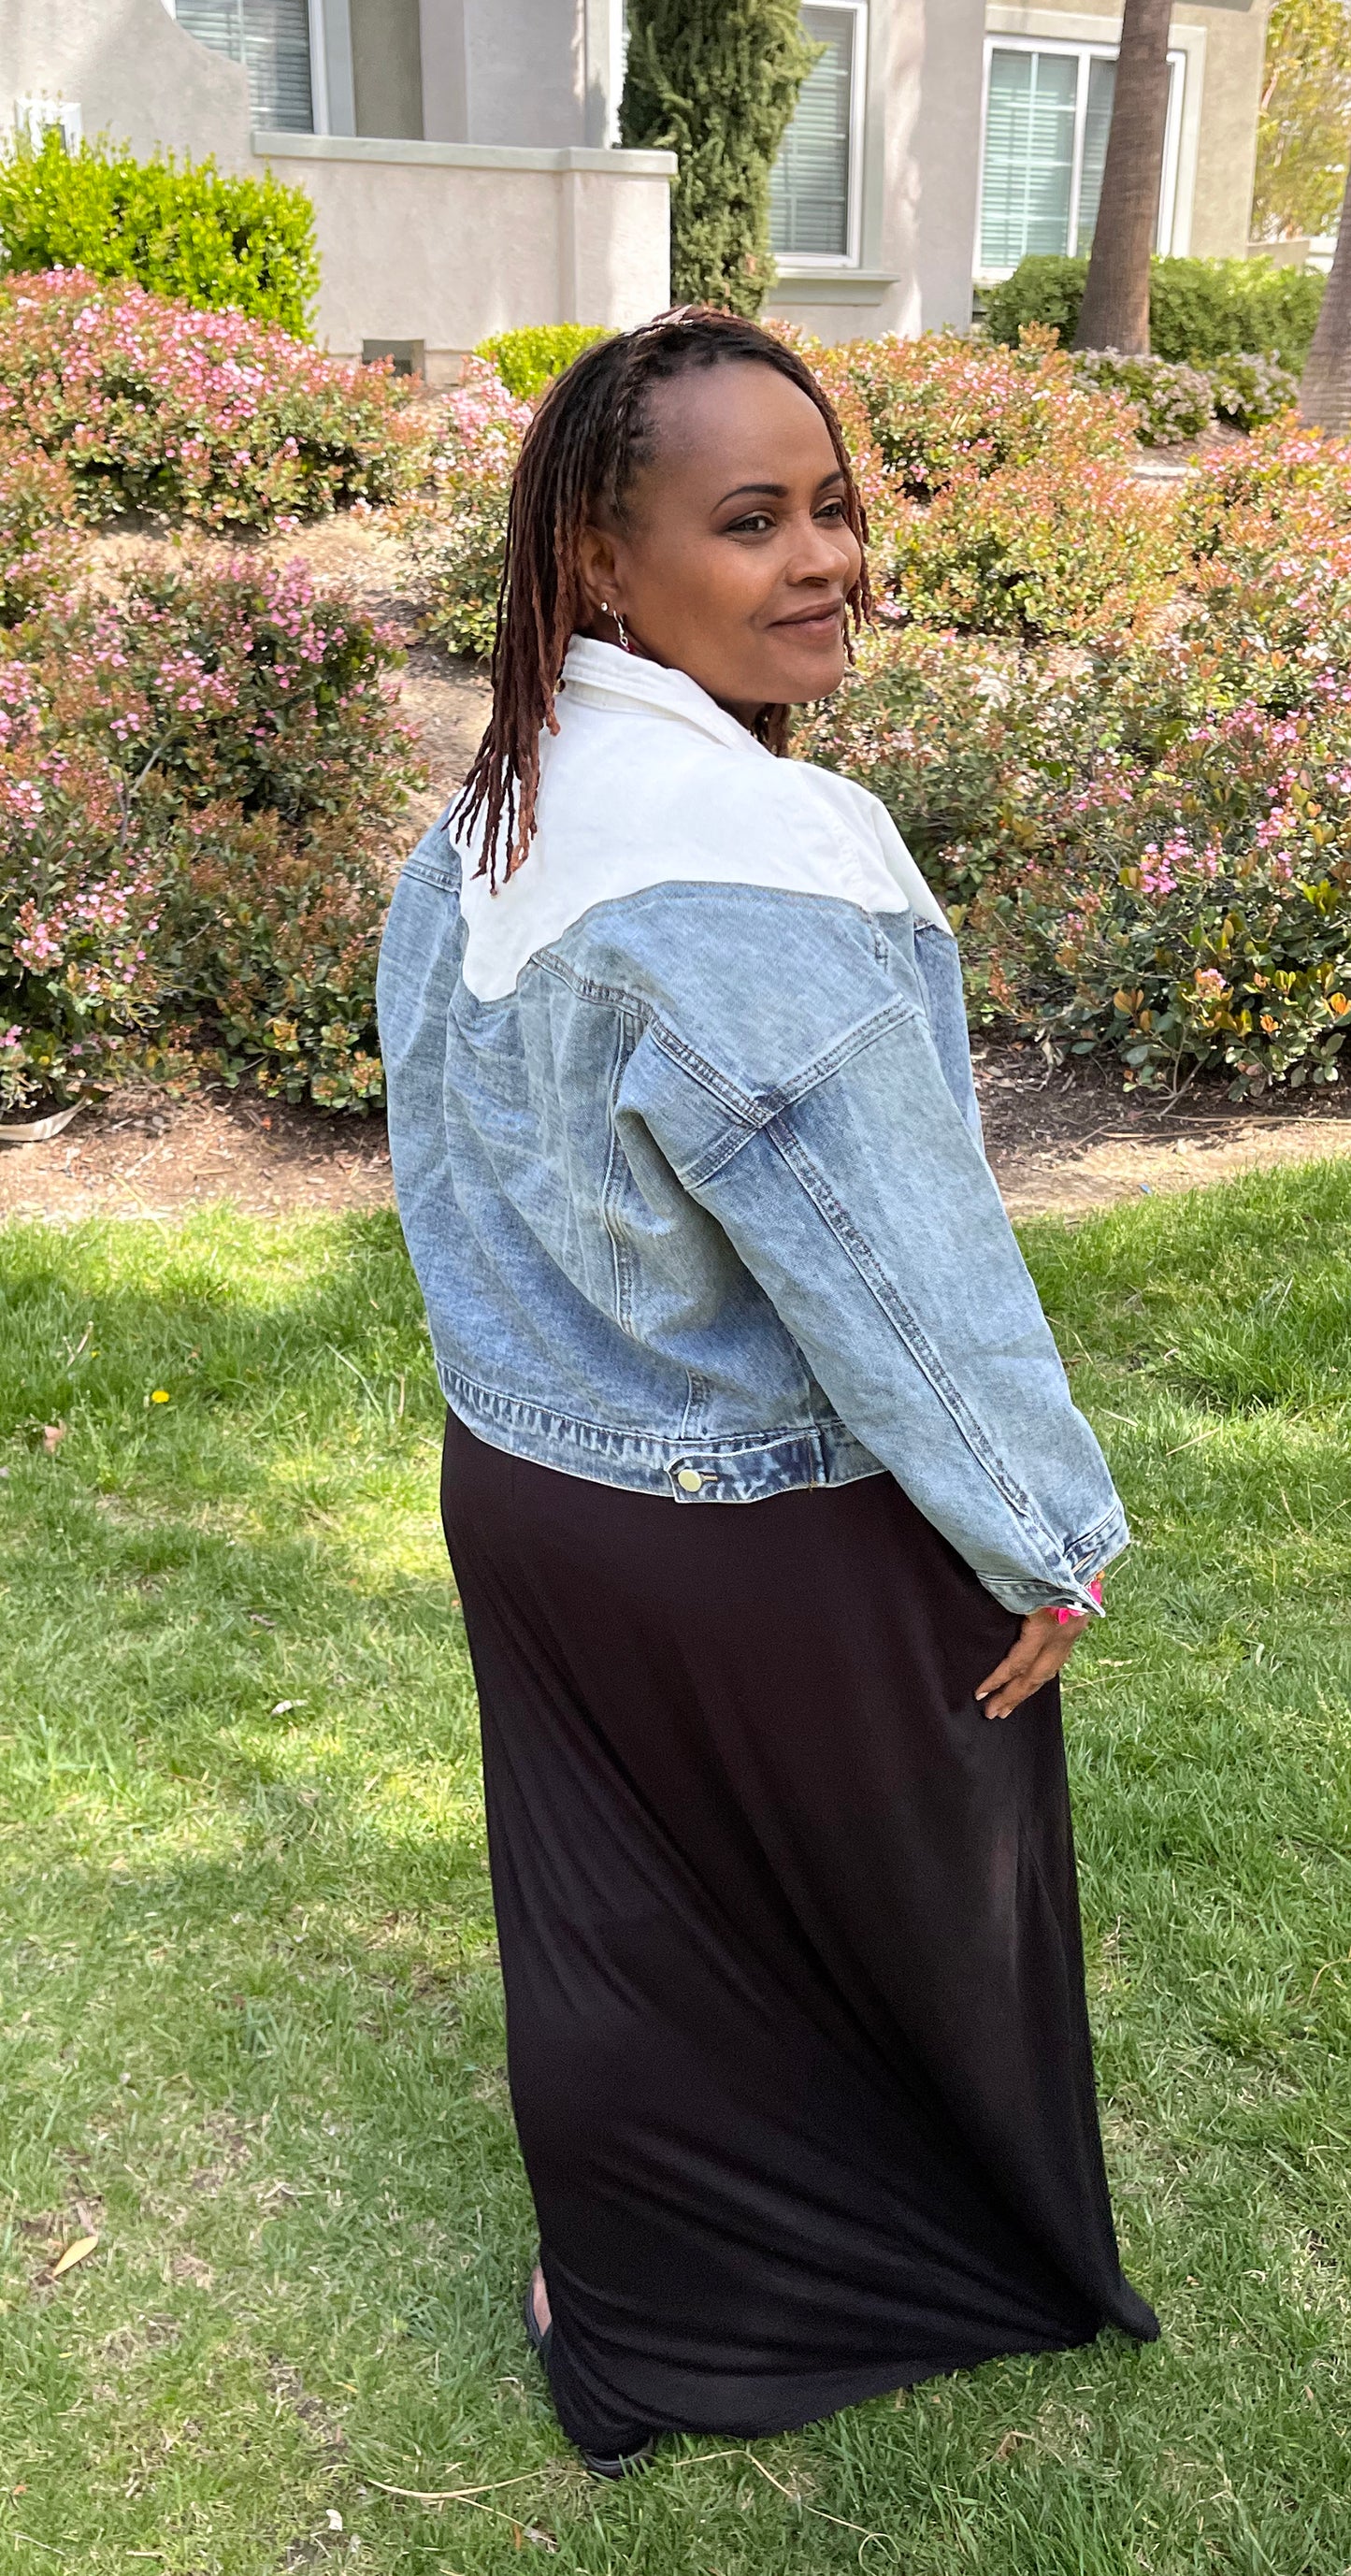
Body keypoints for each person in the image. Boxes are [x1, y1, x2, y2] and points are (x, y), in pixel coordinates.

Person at [377, 307, 1158, 2481]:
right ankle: (830, 2281)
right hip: (745, 1521)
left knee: (628, 1919)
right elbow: (902, 1277)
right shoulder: (761, 868)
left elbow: (454, 1164)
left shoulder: (493, 813)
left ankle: (621, 2297)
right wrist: (1042, 1536)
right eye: (753, 520)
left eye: (835, 504)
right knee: (896, 1893)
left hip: (535, 1486)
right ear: (602, 567)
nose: (828, 557)